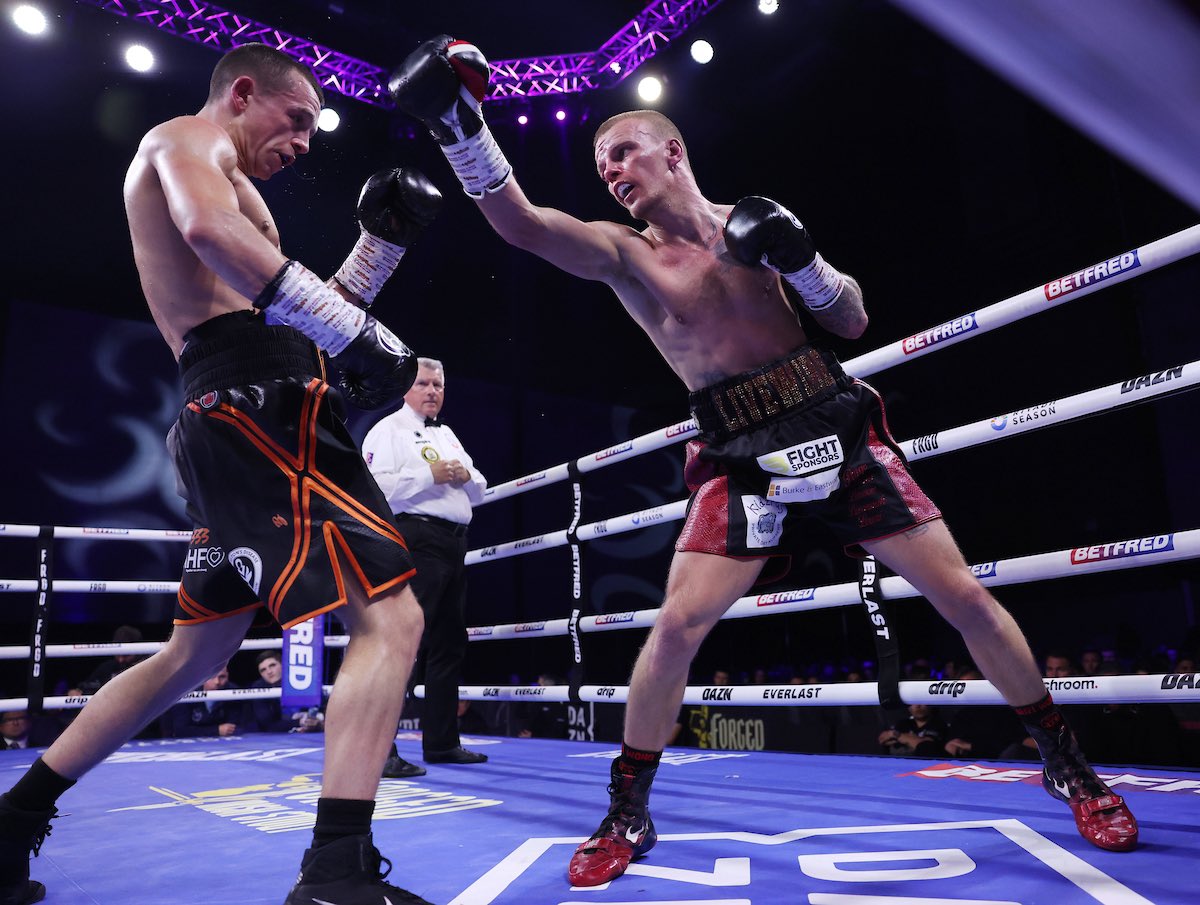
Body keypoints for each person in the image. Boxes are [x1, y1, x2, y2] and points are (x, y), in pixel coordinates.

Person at [388, 36, 1139, 886]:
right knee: (674, 627)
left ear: (673, 151)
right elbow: (519, 223)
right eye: (601, 165)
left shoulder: (753, 225)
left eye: (622, 152)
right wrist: (459, 126)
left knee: (962, 592)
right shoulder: (626, 254)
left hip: (831, 416)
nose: (611, 172)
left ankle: (1069, 763)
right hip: (738, 450)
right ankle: (628, 810)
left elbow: (851, 321)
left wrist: (803, 258)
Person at [0, 44, 442, 905]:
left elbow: (291, 311)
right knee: (391, 616)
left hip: (241, 402)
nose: (307, 143)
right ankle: (336, 872)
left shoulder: (230, 194)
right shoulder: (180, 141)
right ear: (242, 94)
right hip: (260, 407)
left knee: (192, 653)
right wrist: (362, 342)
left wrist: (377, 251)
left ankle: (13, 822)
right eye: (297, 119)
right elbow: (215, 243)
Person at [362, 357, 488, 778]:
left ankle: (442, 742)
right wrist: (427, 474)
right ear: (406, 387)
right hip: (415, 539)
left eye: (438, 384)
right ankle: (381, 749)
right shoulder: (388, 429)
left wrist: (463, 474)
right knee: (405, 642)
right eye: (424, 383)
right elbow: (371, 489)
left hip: (454, 545)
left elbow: (481, 491)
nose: (433, 390)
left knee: (449, 645)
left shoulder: (448, 434)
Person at [246, 650, 323, 733]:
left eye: (272, 665)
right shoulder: (259, 687)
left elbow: (322, 711)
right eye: (263, 670)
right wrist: (298, 722)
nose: (269, 672)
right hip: (276, 738)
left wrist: (316, 722)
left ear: (283, 665)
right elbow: (266, 724)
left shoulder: (302, 679)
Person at [163, 664, 244, 738]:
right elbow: (180, 730)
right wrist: (216, 730)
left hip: (225, 744)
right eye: (212, 677)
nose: (217, 682)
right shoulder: (187, 692)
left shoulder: (233, 693)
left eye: (222, 677)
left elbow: (235, 727)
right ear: (202, 677)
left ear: (228, 676)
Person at [74, 625, 147, 695]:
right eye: (117, 654)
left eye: (126, 655)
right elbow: (88, 686)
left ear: (138, 651)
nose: (120, 660)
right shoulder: (108, 667)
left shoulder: (147, 668)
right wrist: (78, 692)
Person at [878, 703, 948, 757]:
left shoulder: (939, 725)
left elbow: (927, 748)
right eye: (913, 702)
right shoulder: (903, 724)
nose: (917, 706)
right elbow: (884, 739)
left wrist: (897, 735)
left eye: (922, 702)